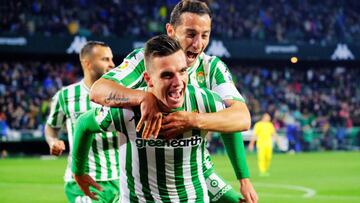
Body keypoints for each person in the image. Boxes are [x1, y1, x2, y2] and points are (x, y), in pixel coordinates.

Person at [90, 1, 257, 202]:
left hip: (197, 170)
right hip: (144, 172)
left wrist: (243, 177)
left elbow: (238, 117)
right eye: (191, 34)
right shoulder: (145, 60)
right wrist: (144, 97)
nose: (198, 44)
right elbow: (98, 90)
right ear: (170, 31)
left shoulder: (212, 68)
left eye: (205, 35)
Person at [73, 35, 228, 202]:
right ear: (149, 79)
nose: (178, 82)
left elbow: (237, 120)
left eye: (182, 71)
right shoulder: (126, 111)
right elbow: (83, 124)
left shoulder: (204, 101)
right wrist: (79, 172)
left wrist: (194, 120)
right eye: (167, 75)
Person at [45, 41, 120, 203]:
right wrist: (53, 141)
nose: (112, 64)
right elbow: (51, 127)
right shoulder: (65, 96)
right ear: (88, 63)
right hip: (83, 180)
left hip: (121, 178)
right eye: (105, 59)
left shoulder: (121, 92)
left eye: (111, 59)